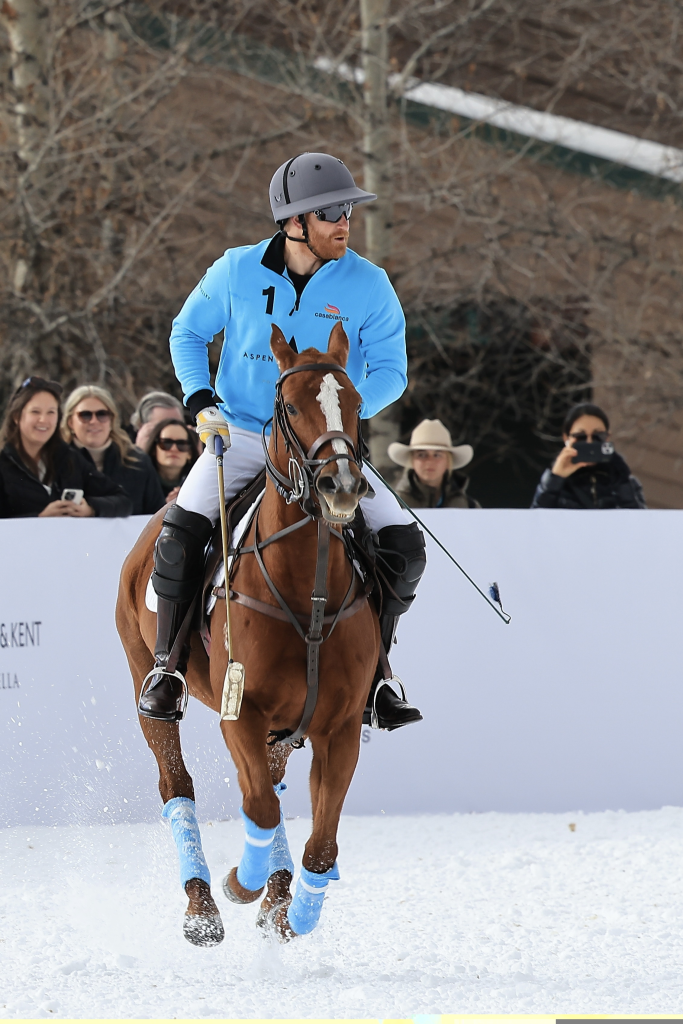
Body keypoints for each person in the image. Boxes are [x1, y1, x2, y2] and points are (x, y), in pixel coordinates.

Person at [139, 150, 427, 732]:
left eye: (347, 211)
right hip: (243, 434)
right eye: (331, 213)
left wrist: (337, 419)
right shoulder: (235, 269)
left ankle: (379, 676)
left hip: (325, 446)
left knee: (402, 543)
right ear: (295, 222)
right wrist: (200, 401)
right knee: (178, 537)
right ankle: (168, 668)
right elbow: (187, 333)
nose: (344, 222)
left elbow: (393, 371)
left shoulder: (370, 284)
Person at [0, 377, 132, 519]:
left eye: (51, 412)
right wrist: (39, 519)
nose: (43, 420)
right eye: (35, 412)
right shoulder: (4, 461)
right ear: (16, 416)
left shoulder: (68, 457)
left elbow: (123, 501)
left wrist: (90, 508)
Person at [62, 385, 166, 516]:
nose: (94, 421)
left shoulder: (138, 463)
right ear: (70, 422)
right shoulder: (55, 460)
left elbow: (157, 515)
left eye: (102, 414)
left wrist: (93, 508)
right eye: (85, 415)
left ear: (112, 420)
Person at [531, 402, 646, 509]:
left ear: (607, 437)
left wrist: (622, 481)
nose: (589, 442)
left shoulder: (627, 483)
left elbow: (640, 522)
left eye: (598, 436)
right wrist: (555, 479)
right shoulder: (555, 485)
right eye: (580, 436)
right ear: (566, 438)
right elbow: (536, 519)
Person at [389, 419, 481, 509]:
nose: (429, 461)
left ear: (448, 461)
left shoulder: (470, 507)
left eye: (437, 455)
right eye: (421, 455)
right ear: (412, 460)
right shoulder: (393, 506)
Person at [146, 417, 198, 503]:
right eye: (166, 443)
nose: (174, 449)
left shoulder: (198, 483)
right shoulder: (140, 480)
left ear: (190, 453)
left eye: (182, 444)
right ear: (154, 449)